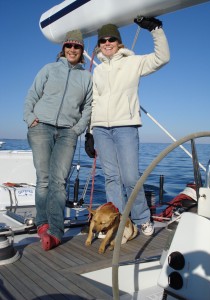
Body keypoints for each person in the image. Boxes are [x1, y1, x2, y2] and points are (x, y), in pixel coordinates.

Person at [85, 17, 170, 236]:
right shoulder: (98, 71)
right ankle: (118, 223)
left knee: (131, 178)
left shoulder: (133, 62)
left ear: (119, 42)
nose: (107, 43)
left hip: (126, 127)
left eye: (111, 38)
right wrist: (90, 132)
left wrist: (156, 30)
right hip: (101, 130)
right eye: (103, 40)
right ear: (99, 44)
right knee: (112, 178)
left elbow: (162, 58)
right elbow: (94, 101)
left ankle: (142, 218)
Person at [23, 30, 93, 250]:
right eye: (69, 46)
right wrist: (30, 118)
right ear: (63, 48)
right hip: (41, 127)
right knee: (43, 179)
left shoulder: (86, 77)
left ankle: (55, 231)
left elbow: (89, 106)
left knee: (59, 182)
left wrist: (78, 129)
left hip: (67, 132)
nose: (72, 50)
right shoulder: (49, 69)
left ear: (82, 51)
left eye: (77, 47)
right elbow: (32, 95)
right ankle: (42, 224)